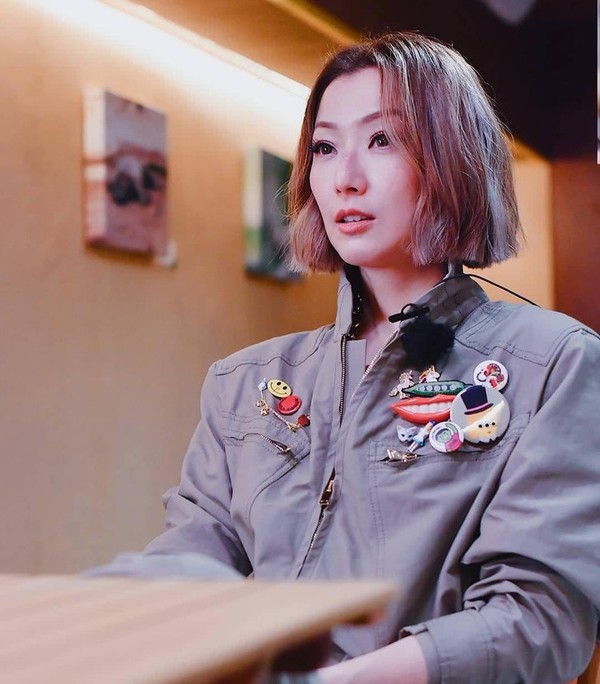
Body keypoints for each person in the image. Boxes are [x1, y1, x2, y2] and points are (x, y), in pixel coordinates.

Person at [87, 33, 600, 683]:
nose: (345, 177)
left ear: (454, 159)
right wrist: (96, 610)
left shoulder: (554, 364)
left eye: (382, 140)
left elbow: (540, 621)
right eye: (325, 148)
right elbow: (192, 563)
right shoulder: (247, 382)